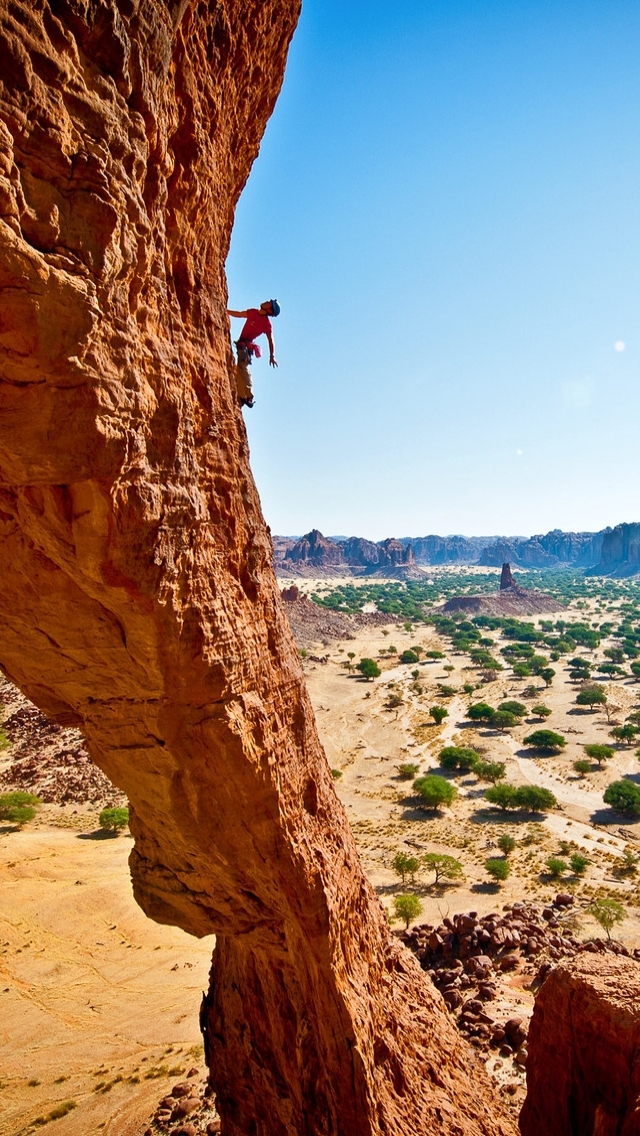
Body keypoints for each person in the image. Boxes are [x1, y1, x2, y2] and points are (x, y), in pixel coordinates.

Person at [227, 299, 280, 407]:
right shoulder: (253, 312)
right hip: (242, 345)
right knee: (239, 369)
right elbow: (239, 314)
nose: (267, 301)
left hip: (246, 346)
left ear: (270, 310)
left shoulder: (266, 324)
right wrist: (226, 311)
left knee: (243, 367)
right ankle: (242, 396)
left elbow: (271, 340)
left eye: (270, 303)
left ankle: (249, 395)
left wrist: (272, 355)